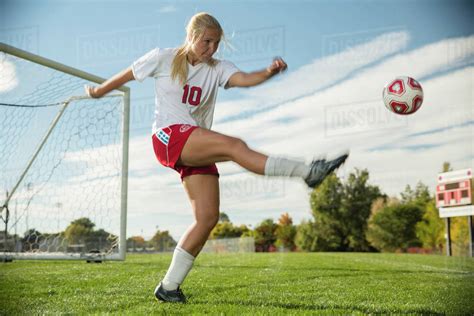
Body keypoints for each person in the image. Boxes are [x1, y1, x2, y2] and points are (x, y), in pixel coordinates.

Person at [85, 12, 348, 303]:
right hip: (168, 136)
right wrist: (98, 91)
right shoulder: (164, 57)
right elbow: (128, 74)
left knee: (207, 218)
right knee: (235, 146)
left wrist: (269, 72)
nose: (211, 48)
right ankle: (309, 172)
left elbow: (245, 79)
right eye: (206, 41)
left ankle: (169, 286)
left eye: (216, 43)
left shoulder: (218, 68)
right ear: (191, 36)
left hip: (195, 141)